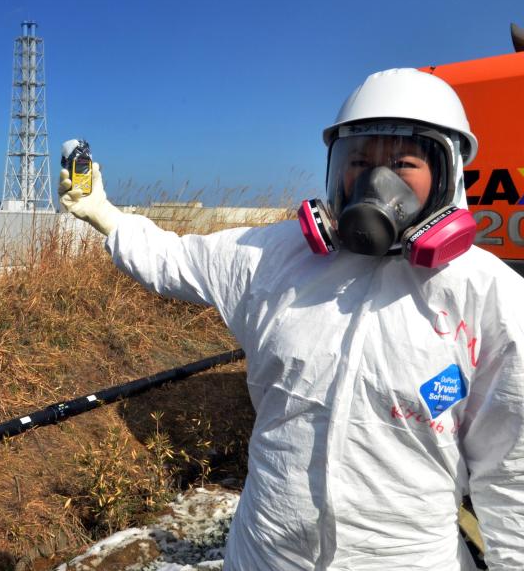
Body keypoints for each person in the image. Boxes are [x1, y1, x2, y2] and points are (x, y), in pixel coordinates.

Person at [58, 68, 524, 570]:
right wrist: (105, 215)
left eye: (404, 163)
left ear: (449, 173)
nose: (376, 180)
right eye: (359, 160)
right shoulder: (276, 258)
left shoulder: (490, 296)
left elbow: (511, 471)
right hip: (266, 553)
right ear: (335, 167)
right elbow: (173, 260)